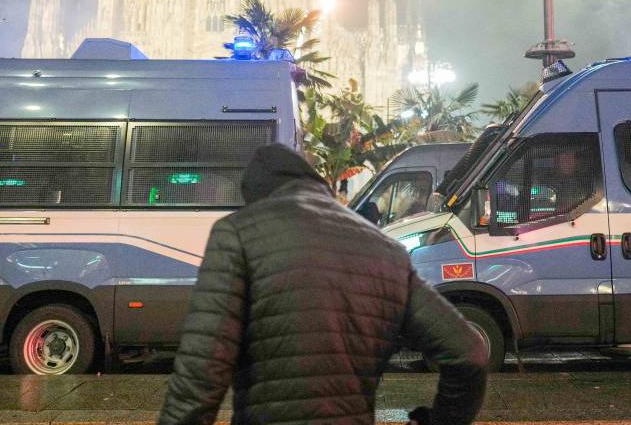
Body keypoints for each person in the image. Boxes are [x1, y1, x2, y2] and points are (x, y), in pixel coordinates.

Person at [158, 143, 488, 425]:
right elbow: (469, 353)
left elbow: (200, 380)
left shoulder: (238, 233)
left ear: (256, 196)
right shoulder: (386, 249)